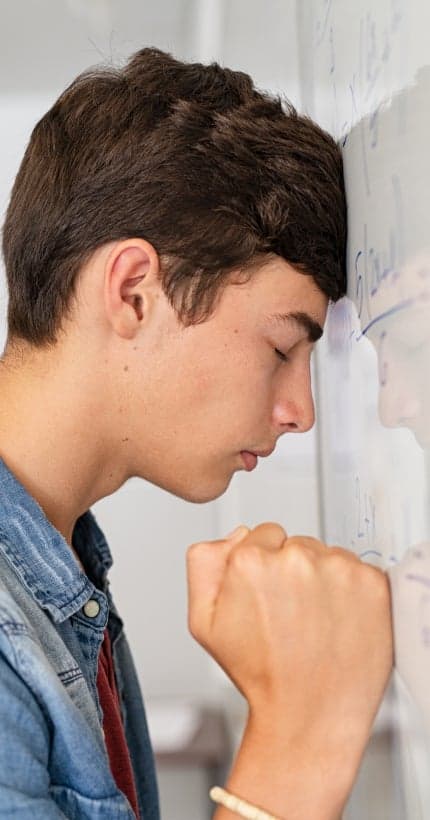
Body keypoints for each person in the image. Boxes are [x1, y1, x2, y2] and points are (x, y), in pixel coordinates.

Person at [0, 47, 392, 819]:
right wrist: (297, 740)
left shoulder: (60, 575)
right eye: (282, 347)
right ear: (135, 291)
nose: (300, 412)